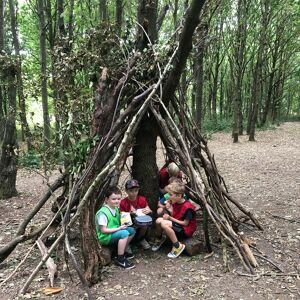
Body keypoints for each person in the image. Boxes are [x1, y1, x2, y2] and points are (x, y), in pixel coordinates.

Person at [152, 181, 197, 258]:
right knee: (158, 220)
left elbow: (185, 224)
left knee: (164, 223)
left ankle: (177, 246)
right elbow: (176, 216)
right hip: (178, 226)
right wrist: (170, 210)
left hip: (186, 230)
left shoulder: (188, 207)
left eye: (170, 195)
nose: (168, 196)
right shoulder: (175, 202)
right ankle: (159, 240)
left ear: (179, 195)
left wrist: (170, 218)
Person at [95, 186, 136, 269]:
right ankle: (120, 258)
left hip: (113, 232)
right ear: (106, 199)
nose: (116, 201)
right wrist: (119, 228)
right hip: (104, 237)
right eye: (113, 199)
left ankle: (121, 251)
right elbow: (103, 230)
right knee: (124, 233)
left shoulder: (115, 208)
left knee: (132, 230)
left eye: (118, 199)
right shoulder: (103, 212)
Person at [120, 179, 152, 250]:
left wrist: (148, 210)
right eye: (131, 191)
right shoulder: (123, 202)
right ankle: (127, 243)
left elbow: (148, 209)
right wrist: (130, 213)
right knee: (129, 229)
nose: (133, 193)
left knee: (145, 225)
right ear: (126, 191)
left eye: (136, 191)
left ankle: (140, 239)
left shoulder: (142, 199)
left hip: (141, 221)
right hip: (129, 222)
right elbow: (121, 215)